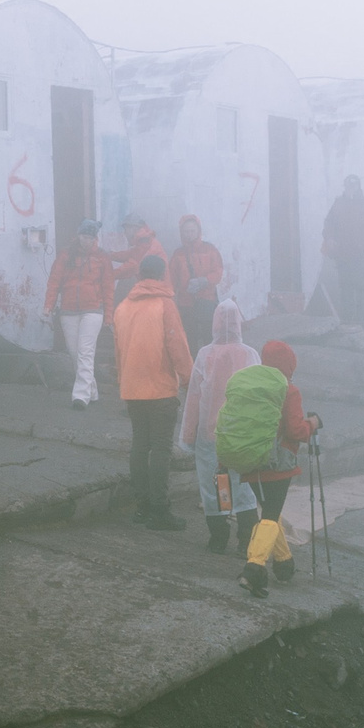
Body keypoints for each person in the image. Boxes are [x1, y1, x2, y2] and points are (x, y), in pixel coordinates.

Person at [114, 252, 191, 532]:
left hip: (132, 388)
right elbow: (177, 344)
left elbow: (118, 350)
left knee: (139, 446)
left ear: (138, 276)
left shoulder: (123, 307)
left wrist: (123, 381)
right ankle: (159, 510)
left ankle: (142, 506)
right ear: (162, 275)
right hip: (160, 388)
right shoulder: (165, 305)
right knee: (160, 449)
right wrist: (188, 378)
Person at [178, 299, 260, 554]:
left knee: (217, 484)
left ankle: (218, 536)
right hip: (241, 434)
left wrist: (188, 434)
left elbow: (194, 396)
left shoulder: (205, 355)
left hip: (210, 434)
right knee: (244, 484)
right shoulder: (249, 354)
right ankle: (246, 540)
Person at [239, 340, 319, 597]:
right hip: (278, 464)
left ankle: (284, 564)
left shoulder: (251, 385)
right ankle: (253, 568)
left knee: (269, 514)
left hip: (251, 459)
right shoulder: (288, 390)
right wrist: (313, 424)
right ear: (289, 365)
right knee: (271, 516)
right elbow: (295, 431)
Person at [43, 219, 114, 411]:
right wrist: (48, 306)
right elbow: (54, 281)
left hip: (93, 310)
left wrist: (108, 315)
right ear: (78, 235)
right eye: (84, 236)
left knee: (85, 351)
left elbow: (108, 287)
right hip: (68, 311)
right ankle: (91, 390)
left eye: (90, 237)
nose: (86, 240)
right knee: (75, 353)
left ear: (95, 238)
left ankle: (80, 396)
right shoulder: (66, 255)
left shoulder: (102, 257)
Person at [321, 177, 364, 326]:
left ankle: (362, 320)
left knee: (361, 288)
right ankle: (347, 320)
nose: (351, 189)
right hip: (343, 255)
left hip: (361, 255)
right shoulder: (338, 204)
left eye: (354, 186)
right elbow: (329, 223)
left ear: (359, 187)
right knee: (345, 287)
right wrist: (329, 238)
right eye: (348, 186)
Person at [167, 214, 225, 354]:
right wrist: (169, 299)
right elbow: (171, 279)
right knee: (189, 339)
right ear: (181, 232)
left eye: (192, 231)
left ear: (198, 230)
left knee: (208, 337)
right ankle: (192, 365)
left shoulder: (210, 249)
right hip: (186, 303)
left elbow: (218, 271)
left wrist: (205, 280)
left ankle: (210, 363)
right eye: (186, 231)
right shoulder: (178, 254)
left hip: (207, 301)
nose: (189, 234)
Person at [109, 212, 167, 302]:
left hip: (158, 290)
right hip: (155, 287)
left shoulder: (145, 241)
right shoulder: (144, 240)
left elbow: (132, 266)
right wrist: (111, 255)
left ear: (133, 228)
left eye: (126, 229)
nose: (124, 233)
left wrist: (109, 275)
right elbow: (132, 254)